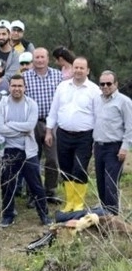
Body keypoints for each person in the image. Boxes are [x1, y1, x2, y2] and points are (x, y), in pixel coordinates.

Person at [0, 75, 51, 227]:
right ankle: (8, 215)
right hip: (9, 150)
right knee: (7, 184)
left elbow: (30, 126)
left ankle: (44, 215)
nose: (17, 89)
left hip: (28, 150)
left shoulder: (31, 104)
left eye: (20, 86)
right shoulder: (2, 105)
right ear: (9, 87)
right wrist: (19, 129)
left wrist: (10, 125)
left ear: (25, 87)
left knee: (36, 185)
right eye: (14, 86)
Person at [45, 57, 99, 212]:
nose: (78, 70)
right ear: (72, 69)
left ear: (87, 70)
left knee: (79, 168)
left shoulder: (94, 90)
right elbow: (54, 111)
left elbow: (97, 116)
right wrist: (49, 131)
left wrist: (96, 139)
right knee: (66, 168)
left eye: (82, 68)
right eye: (76, 67)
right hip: (63, 134)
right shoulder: (62, 87)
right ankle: (70, 201)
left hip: (85, 136)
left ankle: (79, 203)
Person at [23, 47, 63, 203]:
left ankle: (50, 191)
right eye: (36, 57)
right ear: (33, 59)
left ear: (48, 59)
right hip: (32, 123)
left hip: (51, 123)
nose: (39, 60)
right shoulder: (25, 77)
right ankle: (33, 193)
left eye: (42, 57)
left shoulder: (58, 76)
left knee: (53, 159)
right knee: (32, 158)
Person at [92, 70, 132, 215]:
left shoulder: (124, 102)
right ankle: (104, 214)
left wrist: (125, 147)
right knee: (101, 182)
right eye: (102, 84)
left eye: (109, 83)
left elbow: (130, 126)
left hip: (114, 147)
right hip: (99, 146)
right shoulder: (96, 100)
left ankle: (113, 216)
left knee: (110, 183)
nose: (105, 86)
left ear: (116, 84)